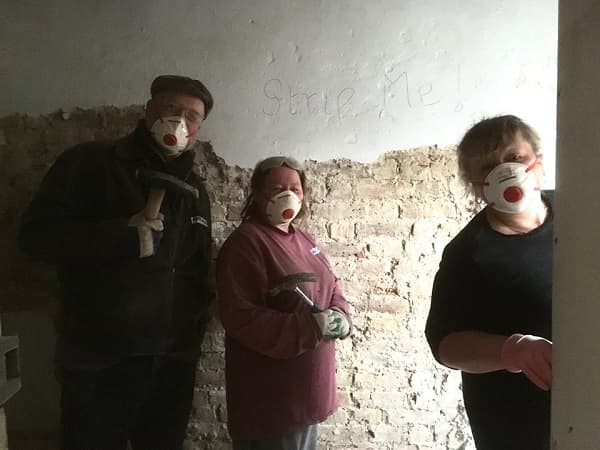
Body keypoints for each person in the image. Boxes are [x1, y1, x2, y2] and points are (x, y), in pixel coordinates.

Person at [19, 75, 214, 450]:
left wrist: (190, 340)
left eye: (191, 116)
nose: (179, 122)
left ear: (199, 128)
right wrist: (119, 236)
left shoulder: (196, 189)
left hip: (170, 364)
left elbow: (194, 268)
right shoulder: (89, 165)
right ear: (148, 110)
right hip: (100, 362)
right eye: (171, 109)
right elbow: (36, 238)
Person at [425, 115, 553, 450]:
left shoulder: (582, 210)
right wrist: (513, 351)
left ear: (538, 162)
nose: (504, 172)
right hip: (516, 422)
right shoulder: (468, 254)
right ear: (475, 185)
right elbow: (446, 345)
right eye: (487, 167)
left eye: (515, 158)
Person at [216, 156, 352, 450]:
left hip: (306, 393)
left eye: (295, 188)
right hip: (273, 401)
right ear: (257, 193)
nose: (288, 195)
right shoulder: (246, 243)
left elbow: (331, 283)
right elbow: (240, 317)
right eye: (277, 187)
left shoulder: (304, 239)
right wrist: (306, 326)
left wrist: (340, 312)